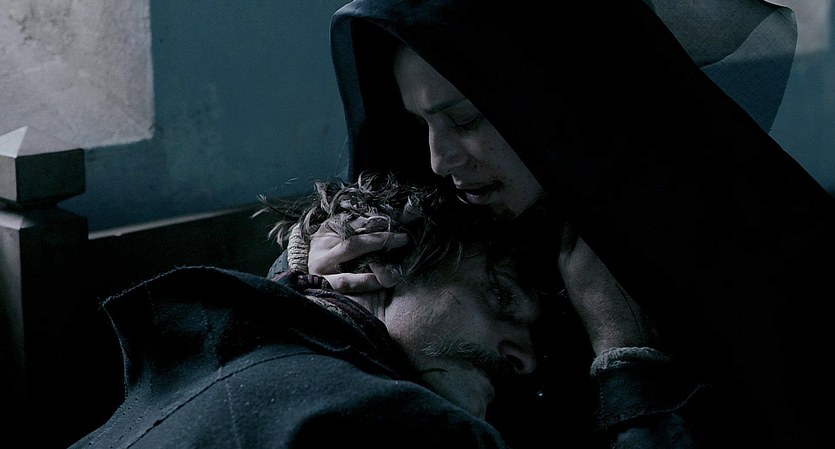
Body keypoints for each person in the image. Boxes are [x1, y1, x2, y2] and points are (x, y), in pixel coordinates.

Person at [272, 1, 835, 448]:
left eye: (465, 119)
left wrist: (628, 365)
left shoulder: (752, 253)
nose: (439, 160)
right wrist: (306, 289)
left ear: (556, 99)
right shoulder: (448, 230)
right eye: (419, 125)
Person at [66, 171, 560, 449]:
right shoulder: (410, 427)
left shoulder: (208, 342)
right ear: (379, 254)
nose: (525, 361)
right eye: (500, 297)